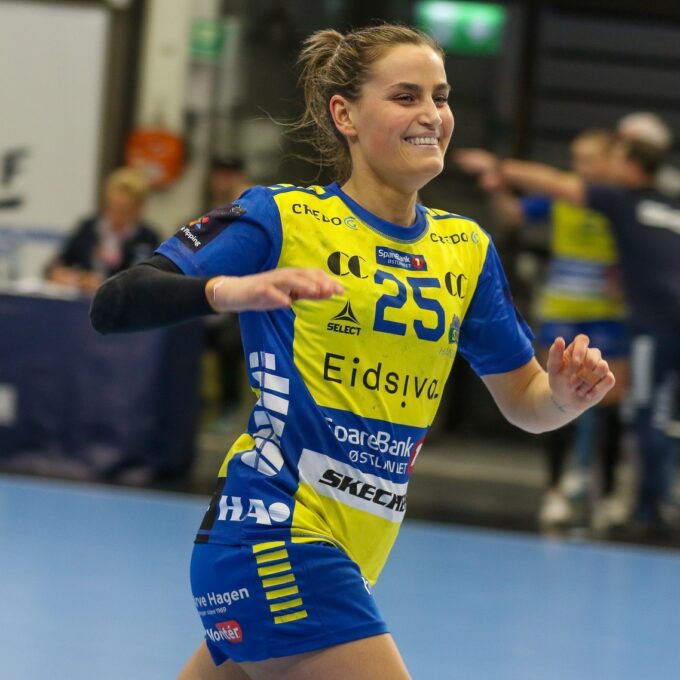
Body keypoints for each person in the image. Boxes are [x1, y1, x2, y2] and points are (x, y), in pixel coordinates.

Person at [90, 24, 614, 680]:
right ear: (346, 115)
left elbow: (526, 402)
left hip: (349, 551)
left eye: (441, 96)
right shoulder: (284, 218)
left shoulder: (465, 250)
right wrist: (229, 291)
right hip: (272, 535)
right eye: (405, 96)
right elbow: (116, 302)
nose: (432, 114)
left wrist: (564, 396)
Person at [454, 136, 680, 533]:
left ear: (617, 163)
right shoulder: (587, 200)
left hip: (618, 319)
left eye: (591, 159)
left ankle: (625, 501)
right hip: (569, 313)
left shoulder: (615, 200)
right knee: (562, 396)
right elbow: (517, 214)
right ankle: (563, 490)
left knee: (624, 407)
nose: (581, 167)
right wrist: (498, 187)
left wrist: (497, 164)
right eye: (576, 159)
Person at [46, 166, 158, 294]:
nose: (115, 214)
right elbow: (55, 266)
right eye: (111, 206)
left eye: (123, 209)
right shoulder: (88, 228)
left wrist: (104, 283)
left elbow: (146, 282)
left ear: (139, 208)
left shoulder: (147, 239)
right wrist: (72, 277)